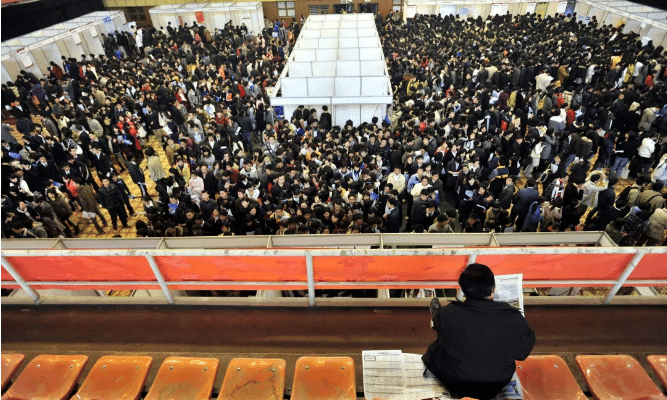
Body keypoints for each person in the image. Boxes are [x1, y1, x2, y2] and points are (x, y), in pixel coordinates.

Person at [423, 263, 535, 399]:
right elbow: (522, 354)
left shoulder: (449, 313)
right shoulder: (513, 317)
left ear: (464, 291)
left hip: (457, 383)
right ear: (493, 289)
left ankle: (435, 314)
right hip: (495, 385)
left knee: (437, 346)